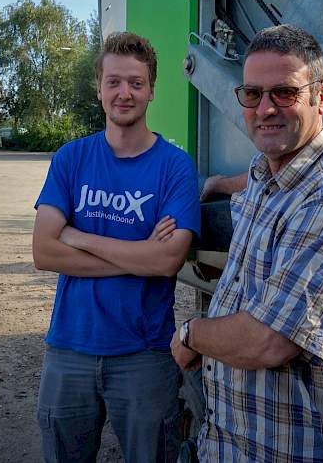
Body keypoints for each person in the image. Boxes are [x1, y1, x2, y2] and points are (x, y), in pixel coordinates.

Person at [171, 24, 323, 462]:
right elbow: (257, 179)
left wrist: (192, 334)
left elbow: (268, 342)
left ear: (321, 98)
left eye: (285, 93)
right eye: (253, 95)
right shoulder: (264, 175)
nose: (266, 108)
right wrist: (216, 182)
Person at [32, 32, 201, 462]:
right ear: (99, 88)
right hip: (69, 347)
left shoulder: (175, 166)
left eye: (136, 83)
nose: (124, 93)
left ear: (151, 91)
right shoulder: (71, 159)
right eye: (114, 82)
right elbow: (44, 252)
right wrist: (139, 257)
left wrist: (81, 237)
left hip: (143, 354)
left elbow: (167, 261)